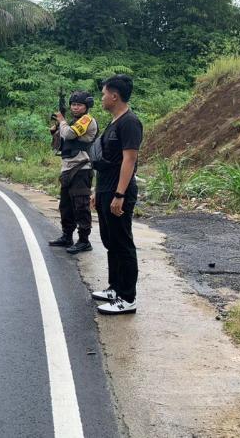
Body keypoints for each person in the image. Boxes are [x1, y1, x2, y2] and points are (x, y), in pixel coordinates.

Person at [91, 75, 143, 315]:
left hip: (118, 192)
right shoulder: (114, 122)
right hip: (105, 189)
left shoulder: (130, 122)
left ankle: (127, 297)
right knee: (110, 241)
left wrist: (120, 194)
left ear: (114, 96)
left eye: (104, 94)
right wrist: (96, 191)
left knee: (122, 242)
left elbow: (129, 160)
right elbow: (106, 161)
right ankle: (115, 288)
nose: (102, 98)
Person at [48, 91, 98, 254]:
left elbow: (69, 133)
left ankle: (84, 240)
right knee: (66, 205)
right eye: (73, 104)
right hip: (68, 168)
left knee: (81, 205)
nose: (75, 107)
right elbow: (59, 143)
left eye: (79, 105)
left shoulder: (86, 120)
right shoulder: (73, 121)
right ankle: (66, 236)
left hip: (81, 168)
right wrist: (55, 130)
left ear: (86, 106)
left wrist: (61, 121)